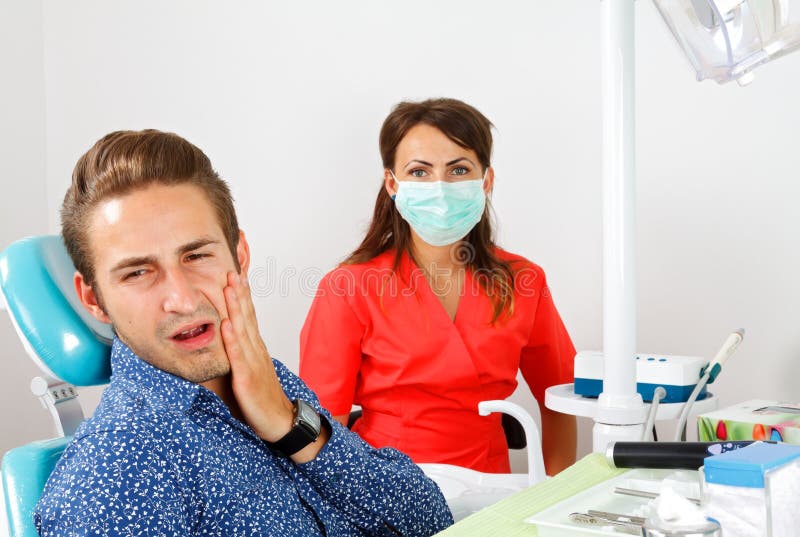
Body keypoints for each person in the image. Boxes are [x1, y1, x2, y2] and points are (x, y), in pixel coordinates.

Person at [34, 130, 453, 536]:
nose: (182, 299)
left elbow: (430, 518)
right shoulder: (115, 474)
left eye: (196, 255)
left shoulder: (259, 374)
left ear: (240, 254)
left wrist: (291, 425)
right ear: (93, 299)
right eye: (138, 272)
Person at [299, 98, 577, 475]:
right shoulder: (347, 288)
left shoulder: (523, 282)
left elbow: (559, 400)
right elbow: (321, 428)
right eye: (420, 171)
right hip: (385, 489)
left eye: (459, 169)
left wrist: (555, 494)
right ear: (393, 183)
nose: (440, 187)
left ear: (486, 181)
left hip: (492, 492)